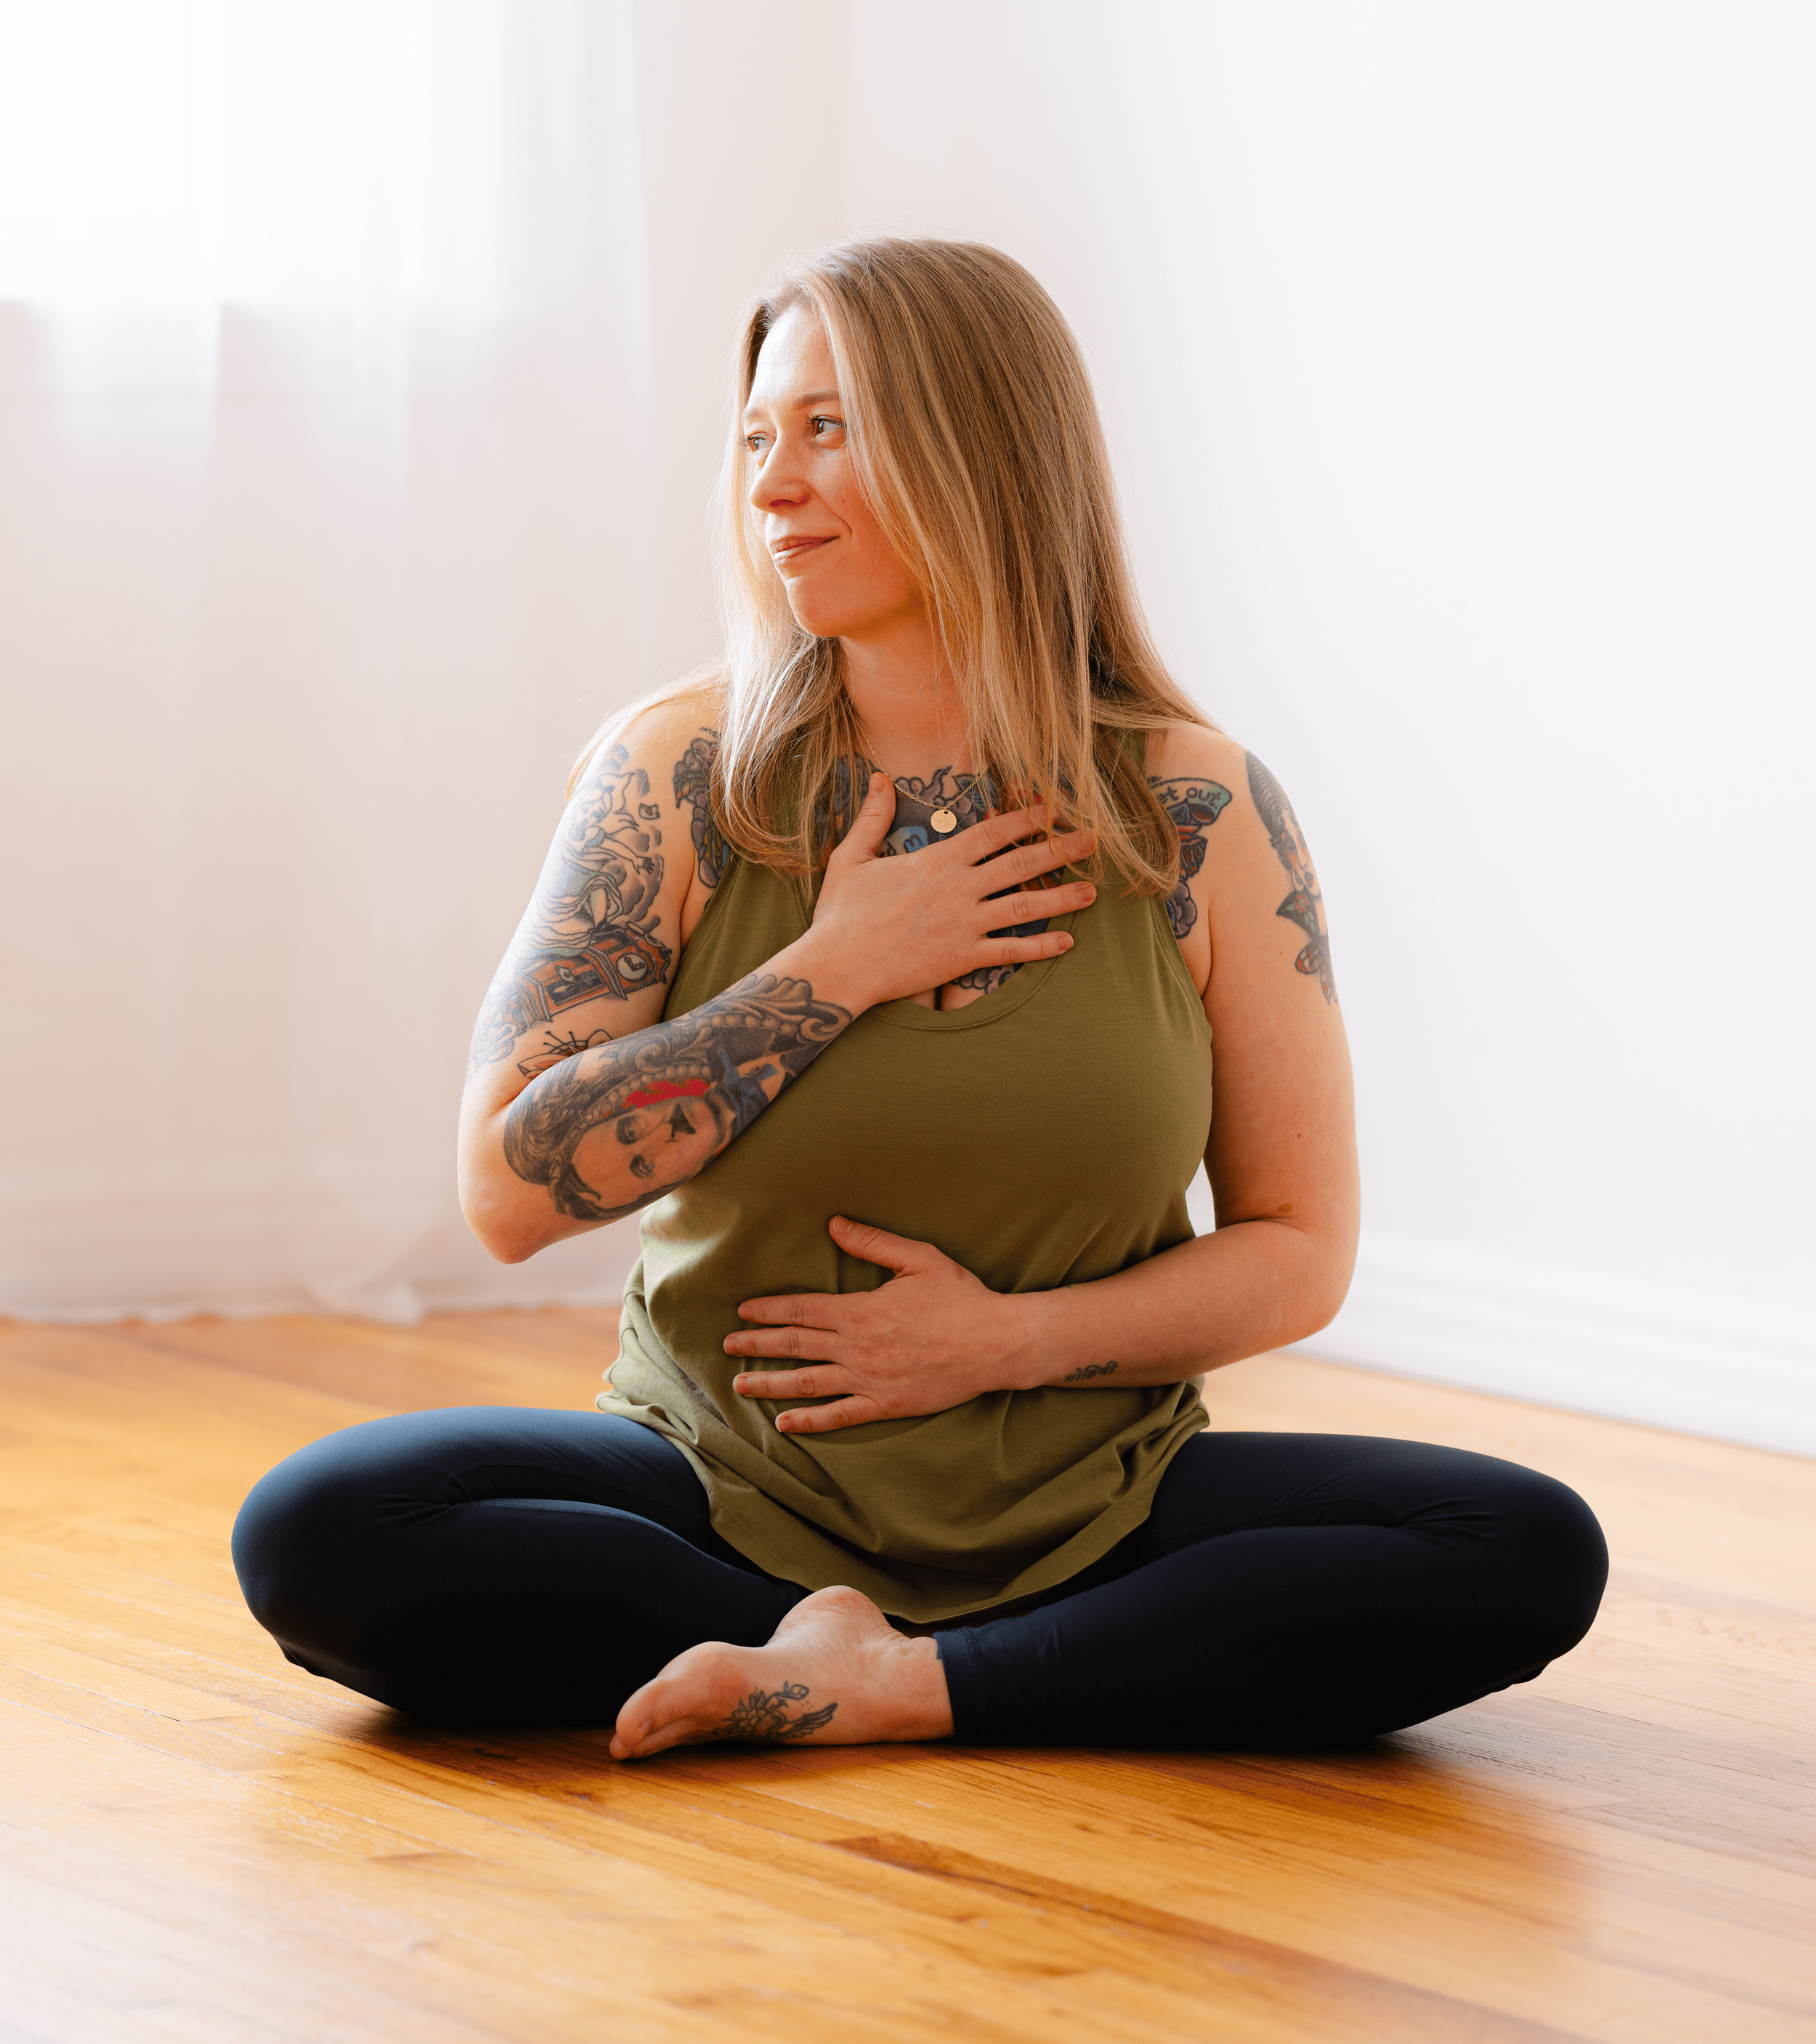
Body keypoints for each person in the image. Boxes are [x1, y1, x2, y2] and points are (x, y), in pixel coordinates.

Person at [233, 238, 1606, 1754]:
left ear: (982, 451)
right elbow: (508, 1193)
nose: (770, 486)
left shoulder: (1198, 811)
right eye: (756, 436)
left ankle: (891, 1683)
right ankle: (942, 1654)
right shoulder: (677, 774)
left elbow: (1296, 1249)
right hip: (723, 1493)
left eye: (827, 428)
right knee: (324, 1525)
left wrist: (1000, 1345)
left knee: (1518, 1544)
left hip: (1095, 1493)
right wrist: (836, 965)